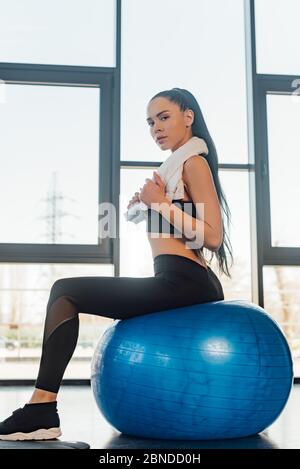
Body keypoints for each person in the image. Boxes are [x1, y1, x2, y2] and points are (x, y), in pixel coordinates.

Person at [0, 87, 233, 441]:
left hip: (186, 282)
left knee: (65, 292)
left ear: (189, 117)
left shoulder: (193, 162)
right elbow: (180, 226)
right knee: (65, 291)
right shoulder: (174, 168)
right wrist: (147, 207)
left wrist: (157, 203)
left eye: (164, 117)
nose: (156, 127)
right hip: (178, 279)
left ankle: (41, 409)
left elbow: (212, 236)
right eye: (150, 122)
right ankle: (41, 409)